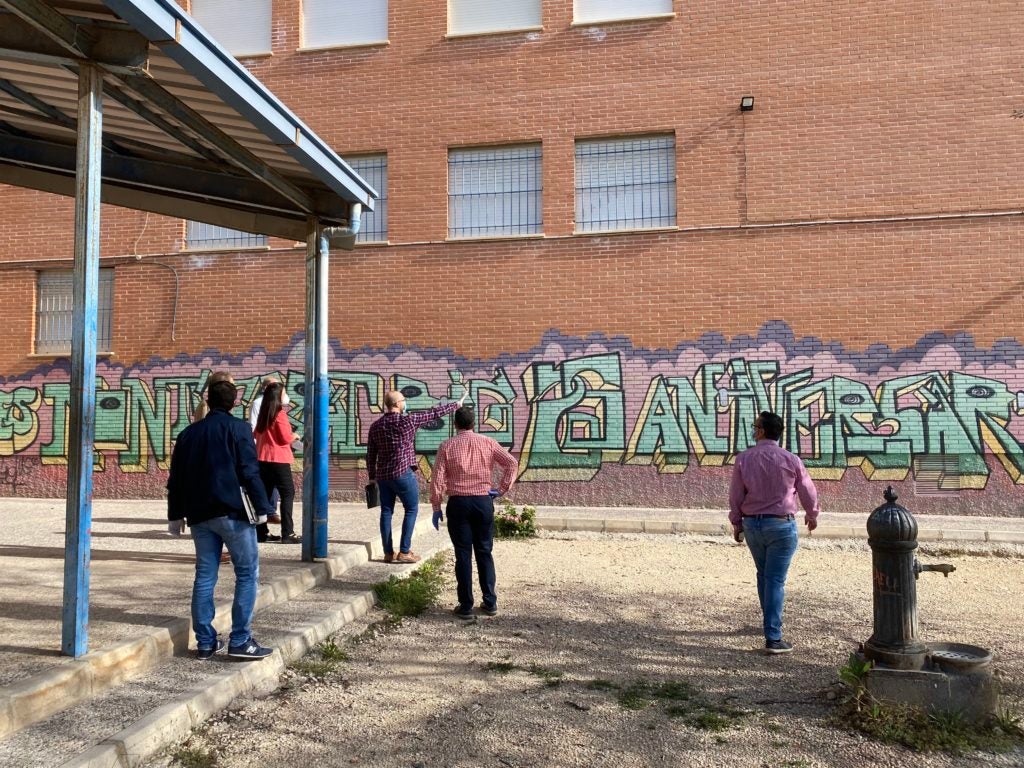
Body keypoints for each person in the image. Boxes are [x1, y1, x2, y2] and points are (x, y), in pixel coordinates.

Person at [167, 378, 274, 661]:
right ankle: (240, 640)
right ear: (234, 402)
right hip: (234, 514)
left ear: (208, 400)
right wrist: (263, 507)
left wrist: (175, 515)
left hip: (199, 516)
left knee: (205, 576)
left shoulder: (188, 434)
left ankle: (205, 642)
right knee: (247, 574)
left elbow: (175, 479)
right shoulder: (239, 429)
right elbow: (249, 471)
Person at [728, 411, 819, 654]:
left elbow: (736, 495)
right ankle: (773, 637)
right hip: (781, 525)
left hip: (753, 525)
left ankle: (769, 622)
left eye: (754, 425)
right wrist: (812, 514)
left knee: (764, 574)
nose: (753, 429)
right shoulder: (791, 459)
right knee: (775, 579)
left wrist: (737, 523)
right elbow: (807, 490)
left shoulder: (743, 459)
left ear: (760, 431)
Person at [430, 406, 518, 620]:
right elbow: (511, 462)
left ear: (455, 424)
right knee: (484, 551)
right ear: (473, 423)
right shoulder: (487, 442)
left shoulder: (447, 446)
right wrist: (501, 489)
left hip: (458, 504)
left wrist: (436, 506)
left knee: (462, 554)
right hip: (482, 501)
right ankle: (490, 601)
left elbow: (438, 479)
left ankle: (466, 605)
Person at [366, 389, 466, 564]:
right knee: (411, 509)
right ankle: (404, 551)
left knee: (386, 512)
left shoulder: (375, 426)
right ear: (397, 404)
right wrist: (455, 405)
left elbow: (371, 454)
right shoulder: (408, 421)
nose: (405, 402)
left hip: (383, 477)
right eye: (403, 400)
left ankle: (388, 552)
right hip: (403, 473)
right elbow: (433, 413)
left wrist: (372, 477)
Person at [254, 381, 302, 544]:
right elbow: (284, 438)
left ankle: (261, 532)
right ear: (278, 396)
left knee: (264, 495)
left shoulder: (263, 412)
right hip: (278, 460)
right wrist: (294, 436)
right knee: (288, 494)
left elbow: (256, 433)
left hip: (262, 459)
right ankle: (288, 533)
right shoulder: (279, 413)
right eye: (284, 392)